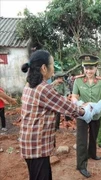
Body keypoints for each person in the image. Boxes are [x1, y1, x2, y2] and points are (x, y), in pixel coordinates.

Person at [19, 50, 94, 180]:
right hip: (36, 146)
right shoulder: (43, 88)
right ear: (44, 68)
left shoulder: (30, 85)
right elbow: (66, 106)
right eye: (52, 65)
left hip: (30, 142)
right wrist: (85, 111)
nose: (53, 69)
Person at [72, 54, 101, 178]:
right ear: (84, 68)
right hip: (82, 114)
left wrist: (98, 106)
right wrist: (78, 104)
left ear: (96, 69)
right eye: (86, 68)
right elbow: (74, 96)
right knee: (82, 140)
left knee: (94, 136)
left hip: (96, 114)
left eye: (91, 68)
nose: (89, 71)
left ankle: (92, 154)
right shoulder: (78, 81)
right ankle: (81, 165)